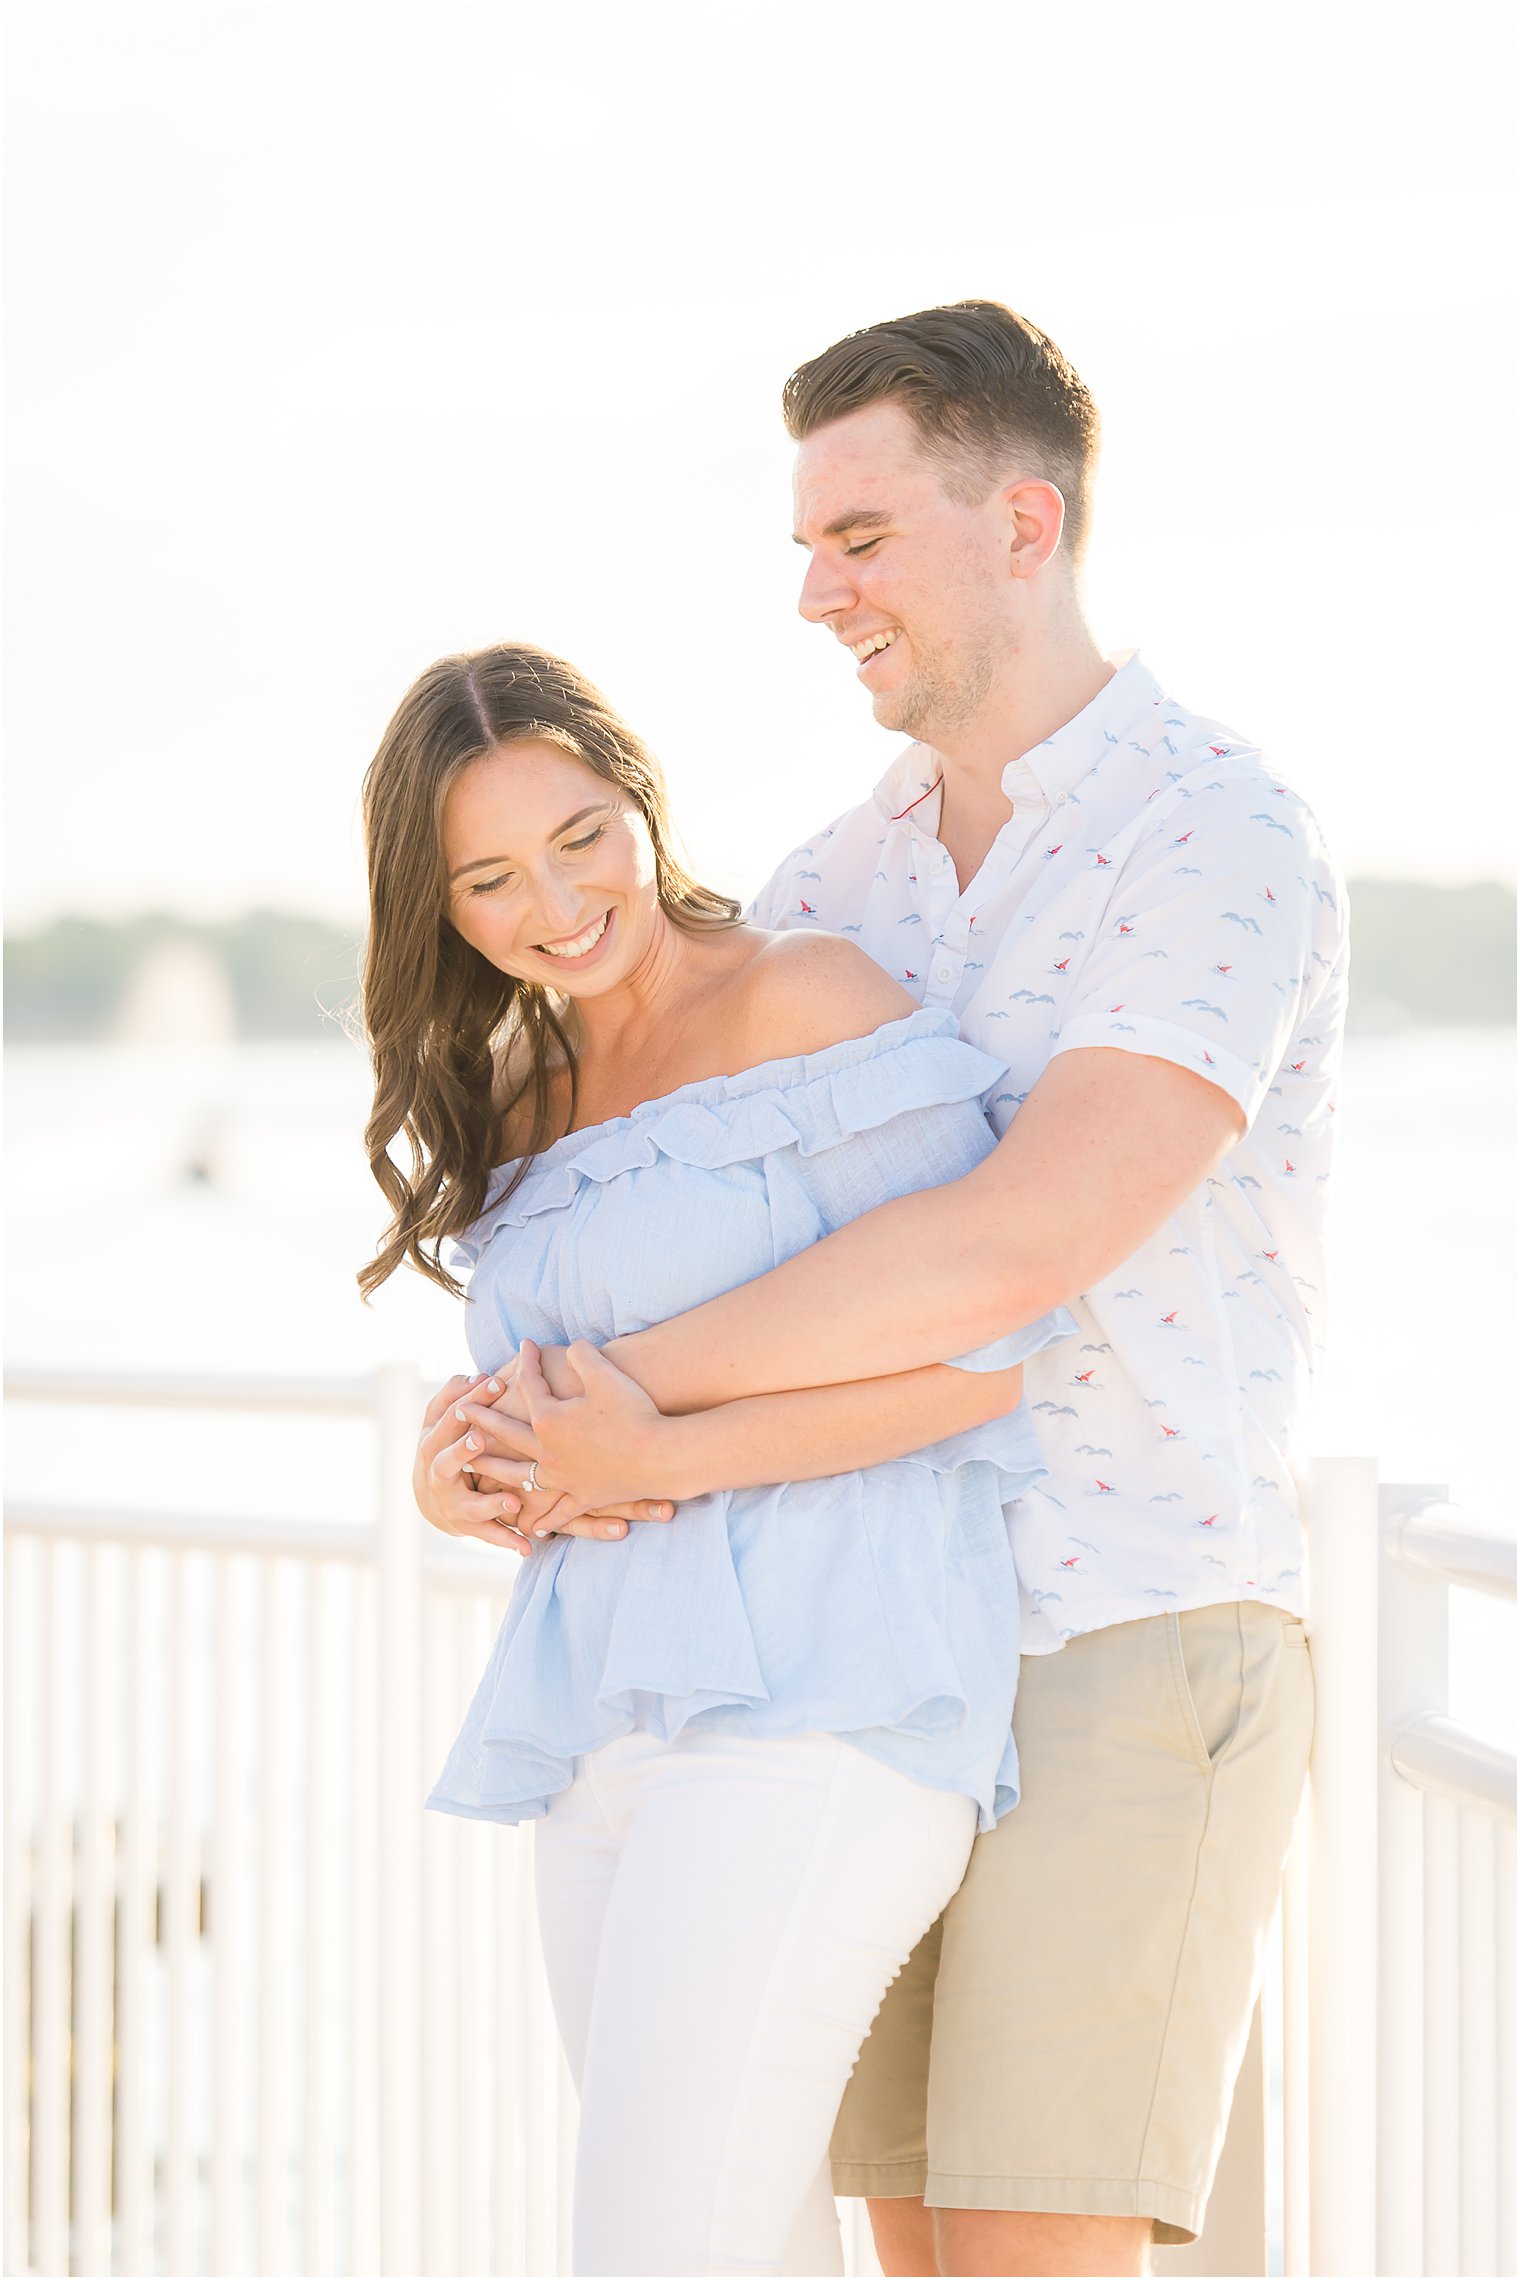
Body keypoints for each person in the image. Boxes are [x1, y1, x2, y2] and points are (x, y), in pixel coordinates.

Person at [430, 303, 1345, 2278]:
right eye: (803, 543)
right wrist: (523, 1440)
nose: (809, 590)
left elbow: (1025, 1238)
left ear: (1022, 524)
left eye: (855, 537)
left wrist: (630, 1402)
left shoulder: (1215, 834)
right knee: (905, 2250)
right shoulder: (832, 889)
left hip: (1126, 1621)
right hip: (860, 1652)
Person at [361, 642, 1077, 2279]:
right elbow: (561, 1404)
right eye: (490, 879)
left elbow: (981, 1364)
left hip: (821, 1705)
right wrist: (461, 1469)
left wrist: (656, 1457)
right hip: (600, 1722)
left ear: (639, 799)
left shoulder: (804, 997)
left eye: (579, 836)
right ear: (441, 908)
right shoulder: (517, 1092)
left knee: (650, 2249)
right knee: (718, 2239)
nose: (554, 904)